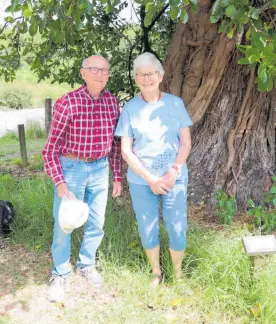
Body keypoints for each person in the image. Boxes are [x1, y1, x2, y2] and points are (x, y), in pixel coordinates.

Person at [42, 55, 123, 302]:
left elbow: (116, 144)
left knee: (97, 222)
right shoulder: (67, 102)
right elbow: (50, 149)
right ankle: (60, 273)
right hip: (72, 167)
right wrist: (60, 183)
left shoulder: (112, 102)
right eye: (94, 69)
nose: (100, 74)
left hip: (100, 168)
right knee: (65, 223)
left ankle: (86, 264)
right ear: (83, 73)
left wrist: (117, 175)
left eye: (105, 70)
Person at [115, 52, 192, 286]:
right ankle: (156, 272)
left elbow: (186, 142)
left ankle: (178, 275)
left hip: (174, 179)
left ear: (160, 75)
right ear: (136, 78)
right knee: (147, 227)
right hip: (142, 181)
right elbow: (126, 151)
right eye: (140, 74)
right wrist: (150, 178)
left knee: (177, 226)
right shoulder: (129, 109)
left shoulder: (175, 103)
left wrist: (173, 171)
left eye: (150, 73)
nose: (145, 78)